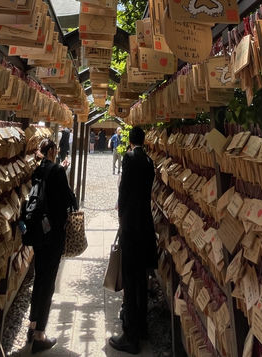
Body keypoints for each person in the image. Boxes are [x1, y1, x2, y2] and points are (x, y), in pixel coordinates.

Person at [109, 126, 157, 355]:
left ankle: (131, 336)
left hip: (131, 225)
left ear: (129, 141)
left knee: (130, 277)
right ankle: (143, 327)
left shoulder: (129, 158)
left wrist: (120, 214)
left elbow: (124, 189)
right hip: (146, 225)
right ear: (144, 140)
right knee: (141, 278)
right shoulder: (149, 162)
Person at [27, 138, 77, 353]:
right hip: (53, 232)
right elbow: (69, 200)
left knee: (39, 276)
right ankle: (40, 335)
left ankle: (31, 324)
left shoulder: (37, 170)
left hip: (37, 230)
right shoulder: (56, 170)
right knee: (48, 280)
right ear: (53, 150)